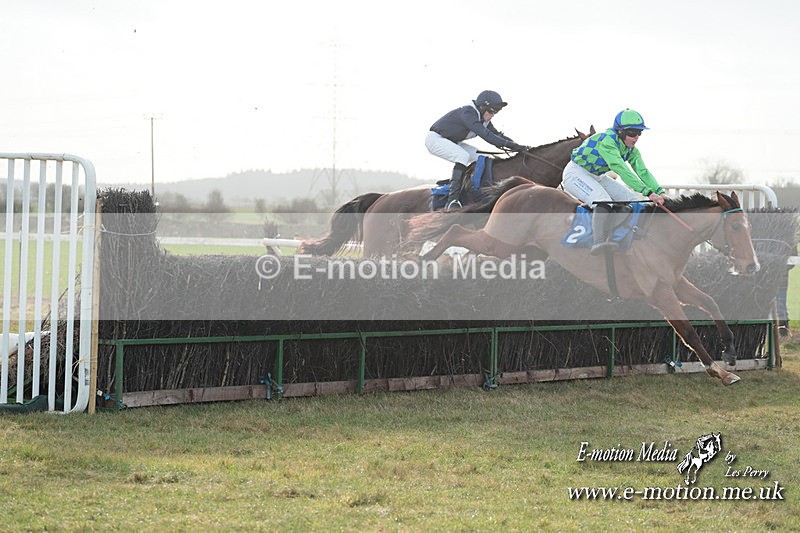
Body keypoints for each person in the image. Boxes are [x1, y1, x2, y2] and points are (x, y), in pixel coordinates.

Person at [562, 108, 669, 255]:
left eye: (639, 132)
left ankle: (620, 236)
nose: (636, 137)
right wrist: (648, 192)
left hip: (597, 175)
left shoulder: (631, 150)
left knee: (633, 200)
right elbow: (621, 169)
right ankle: (598, 241)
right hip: (576, 173)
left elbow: (642, 172)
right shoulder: (607, 142)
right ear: (620, 132)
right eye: (632, 133)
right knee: (603, 201)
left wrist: (659, 192)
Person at [426, 90, 528, 209]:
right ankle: (452, 200)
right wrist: (511, 146)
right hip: (435, 139)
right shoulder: (468, 113)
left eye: (496, 112)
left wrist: (518, 146)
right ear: (482, 107)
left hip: (451, 141)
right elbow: (487, 136)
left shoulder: (483, 119)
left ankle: (466, 188)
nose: (493, 115)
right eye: (491, 111)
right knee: (462, 156)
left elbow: (497, 135)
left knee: (480, 157)